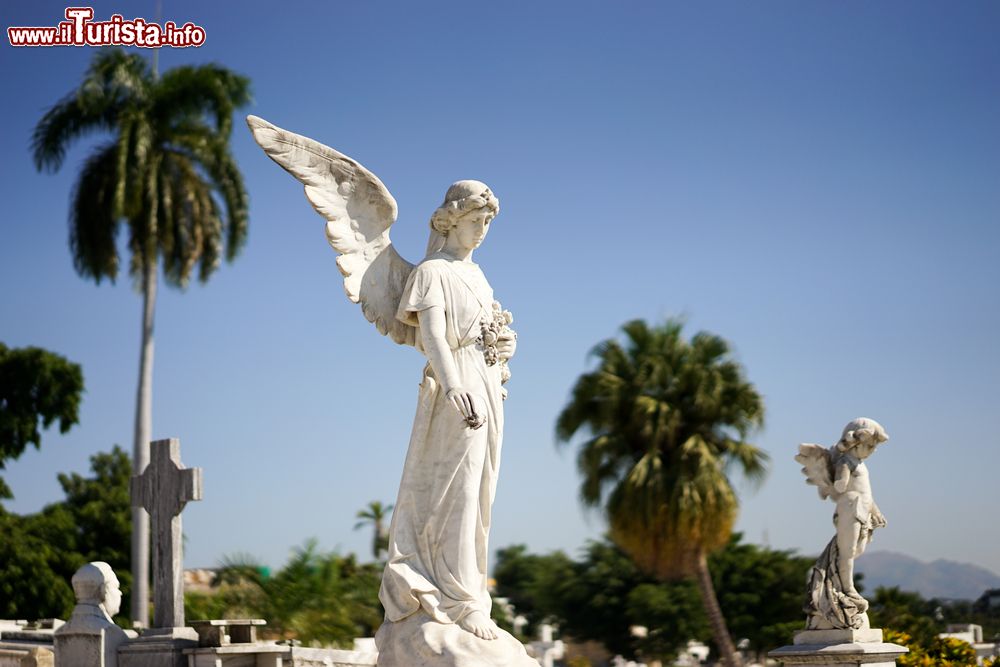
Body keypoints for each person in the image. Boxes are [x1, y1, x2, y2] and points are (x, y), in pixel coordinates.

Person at [379, 181, 516, 643]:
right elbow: (434, 336)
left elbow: (485, 333)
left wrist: (503, 346)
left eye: (487, 224)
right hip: (457, 387)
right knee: (455, 491)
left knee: (480, 493)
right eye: (475, 221)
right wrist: (455, 385)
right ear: (451, 220)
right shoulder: (432, 272)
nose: (481, 230)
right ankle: (458, 599)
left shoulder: (479, 275)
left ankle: (472, 591)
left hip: (488, 384)